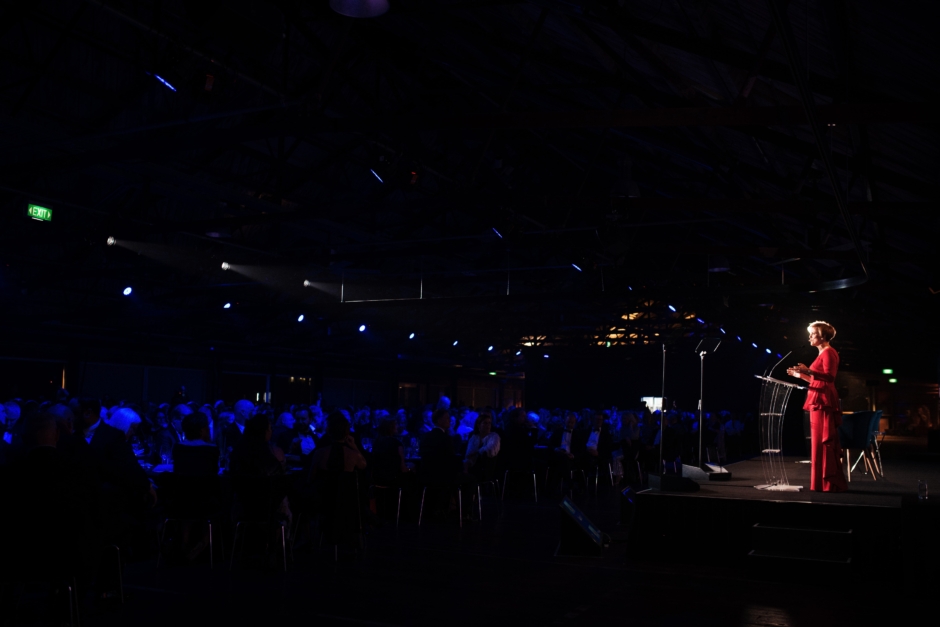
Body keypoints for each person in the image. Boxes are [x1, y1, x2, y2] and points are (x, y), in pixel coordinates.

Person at [788, 321, 848, 493]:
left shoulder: (829, 352)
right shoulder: (822, 352)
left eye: (813, 334)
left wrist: (810, 371)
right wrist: (801, 375)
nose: (810, 337)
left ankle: (829, 482)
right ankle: (820, 483)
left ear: (822, 336)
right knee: (818, 443)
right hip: (818, 397)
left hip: (824, 400)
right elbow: (817, 380)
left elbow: (830, 377)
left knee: (824, 441)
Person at [464, 412, 500, 481]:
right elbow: (468, 453)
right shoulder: (474, 437)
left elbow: (490, 450)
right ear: (479, 425)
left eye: (489, 423)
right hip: (472, 466)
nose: (488, 425)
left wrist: (476, 453)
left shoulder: (494, 437)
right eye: (485, 423)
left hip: (486, 468)